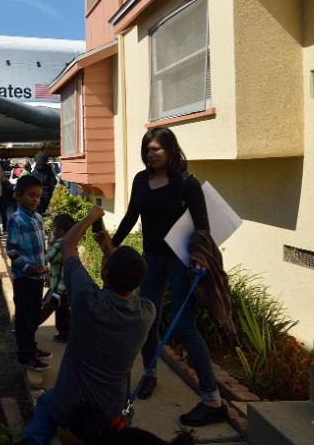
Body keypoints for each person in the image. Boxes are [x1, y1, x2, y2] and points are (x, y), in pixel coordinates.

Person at [110, 127, 225, 427]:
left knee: (185, 328)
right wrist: (112, 246)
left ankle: (213, 399)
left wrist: (200, 260)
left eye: (156, 149)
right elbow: (131, 216)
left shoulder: (187, 184)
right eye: (147, 148)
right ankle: (149, 373)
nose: (150, 153)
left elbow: (203, 229)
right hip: (151, 261)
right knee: (148, 320)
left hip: (180, 263)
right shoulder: (140, 180)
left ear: (170, 150)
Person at [20, 206, 156, 444]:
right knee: (128, 414)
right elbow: (120, 283)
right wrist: (109, 250)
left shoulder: (86, 300)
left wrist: (92, 216)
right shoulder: (146, 312)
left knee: (45, 403)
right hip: (111, 414)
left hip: (71, 411)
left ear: (104, 274)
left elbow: (67, 245)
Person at [6, 175, 50, 372]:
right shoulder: (16, 220)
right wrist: (28, 268)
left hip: (38, 277)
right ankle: (25, 356)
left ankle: (31, 347)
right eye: (31, 195)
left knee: (34, 314)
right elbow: (11, 251)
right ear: (18, 195)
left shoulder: (38, 218)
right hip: (24, 277)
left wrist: (45, 271)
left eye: (38, 196)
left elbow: (42, 248)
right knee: (24, 316)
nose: (35, 200)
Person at [38, 213, 74, 343]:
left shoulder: (59, 244)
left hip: (57, 288)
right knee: (63, 311)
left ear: (60, 231)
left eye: (53, 228)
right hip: (66, 288)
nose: (52, 231)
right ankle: (65, 334)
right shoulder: (70, 242)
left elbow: (48, 258)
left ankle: (26, 329)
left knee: (43, 308)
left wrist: (49, 244)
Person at [31, 145, 57, 215]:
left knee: (39, 212)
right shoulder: (49, 172)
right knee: (48, 212)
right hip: (47, 194)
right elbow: (54, 182)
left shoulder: (34, 173)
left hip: (37, 195)